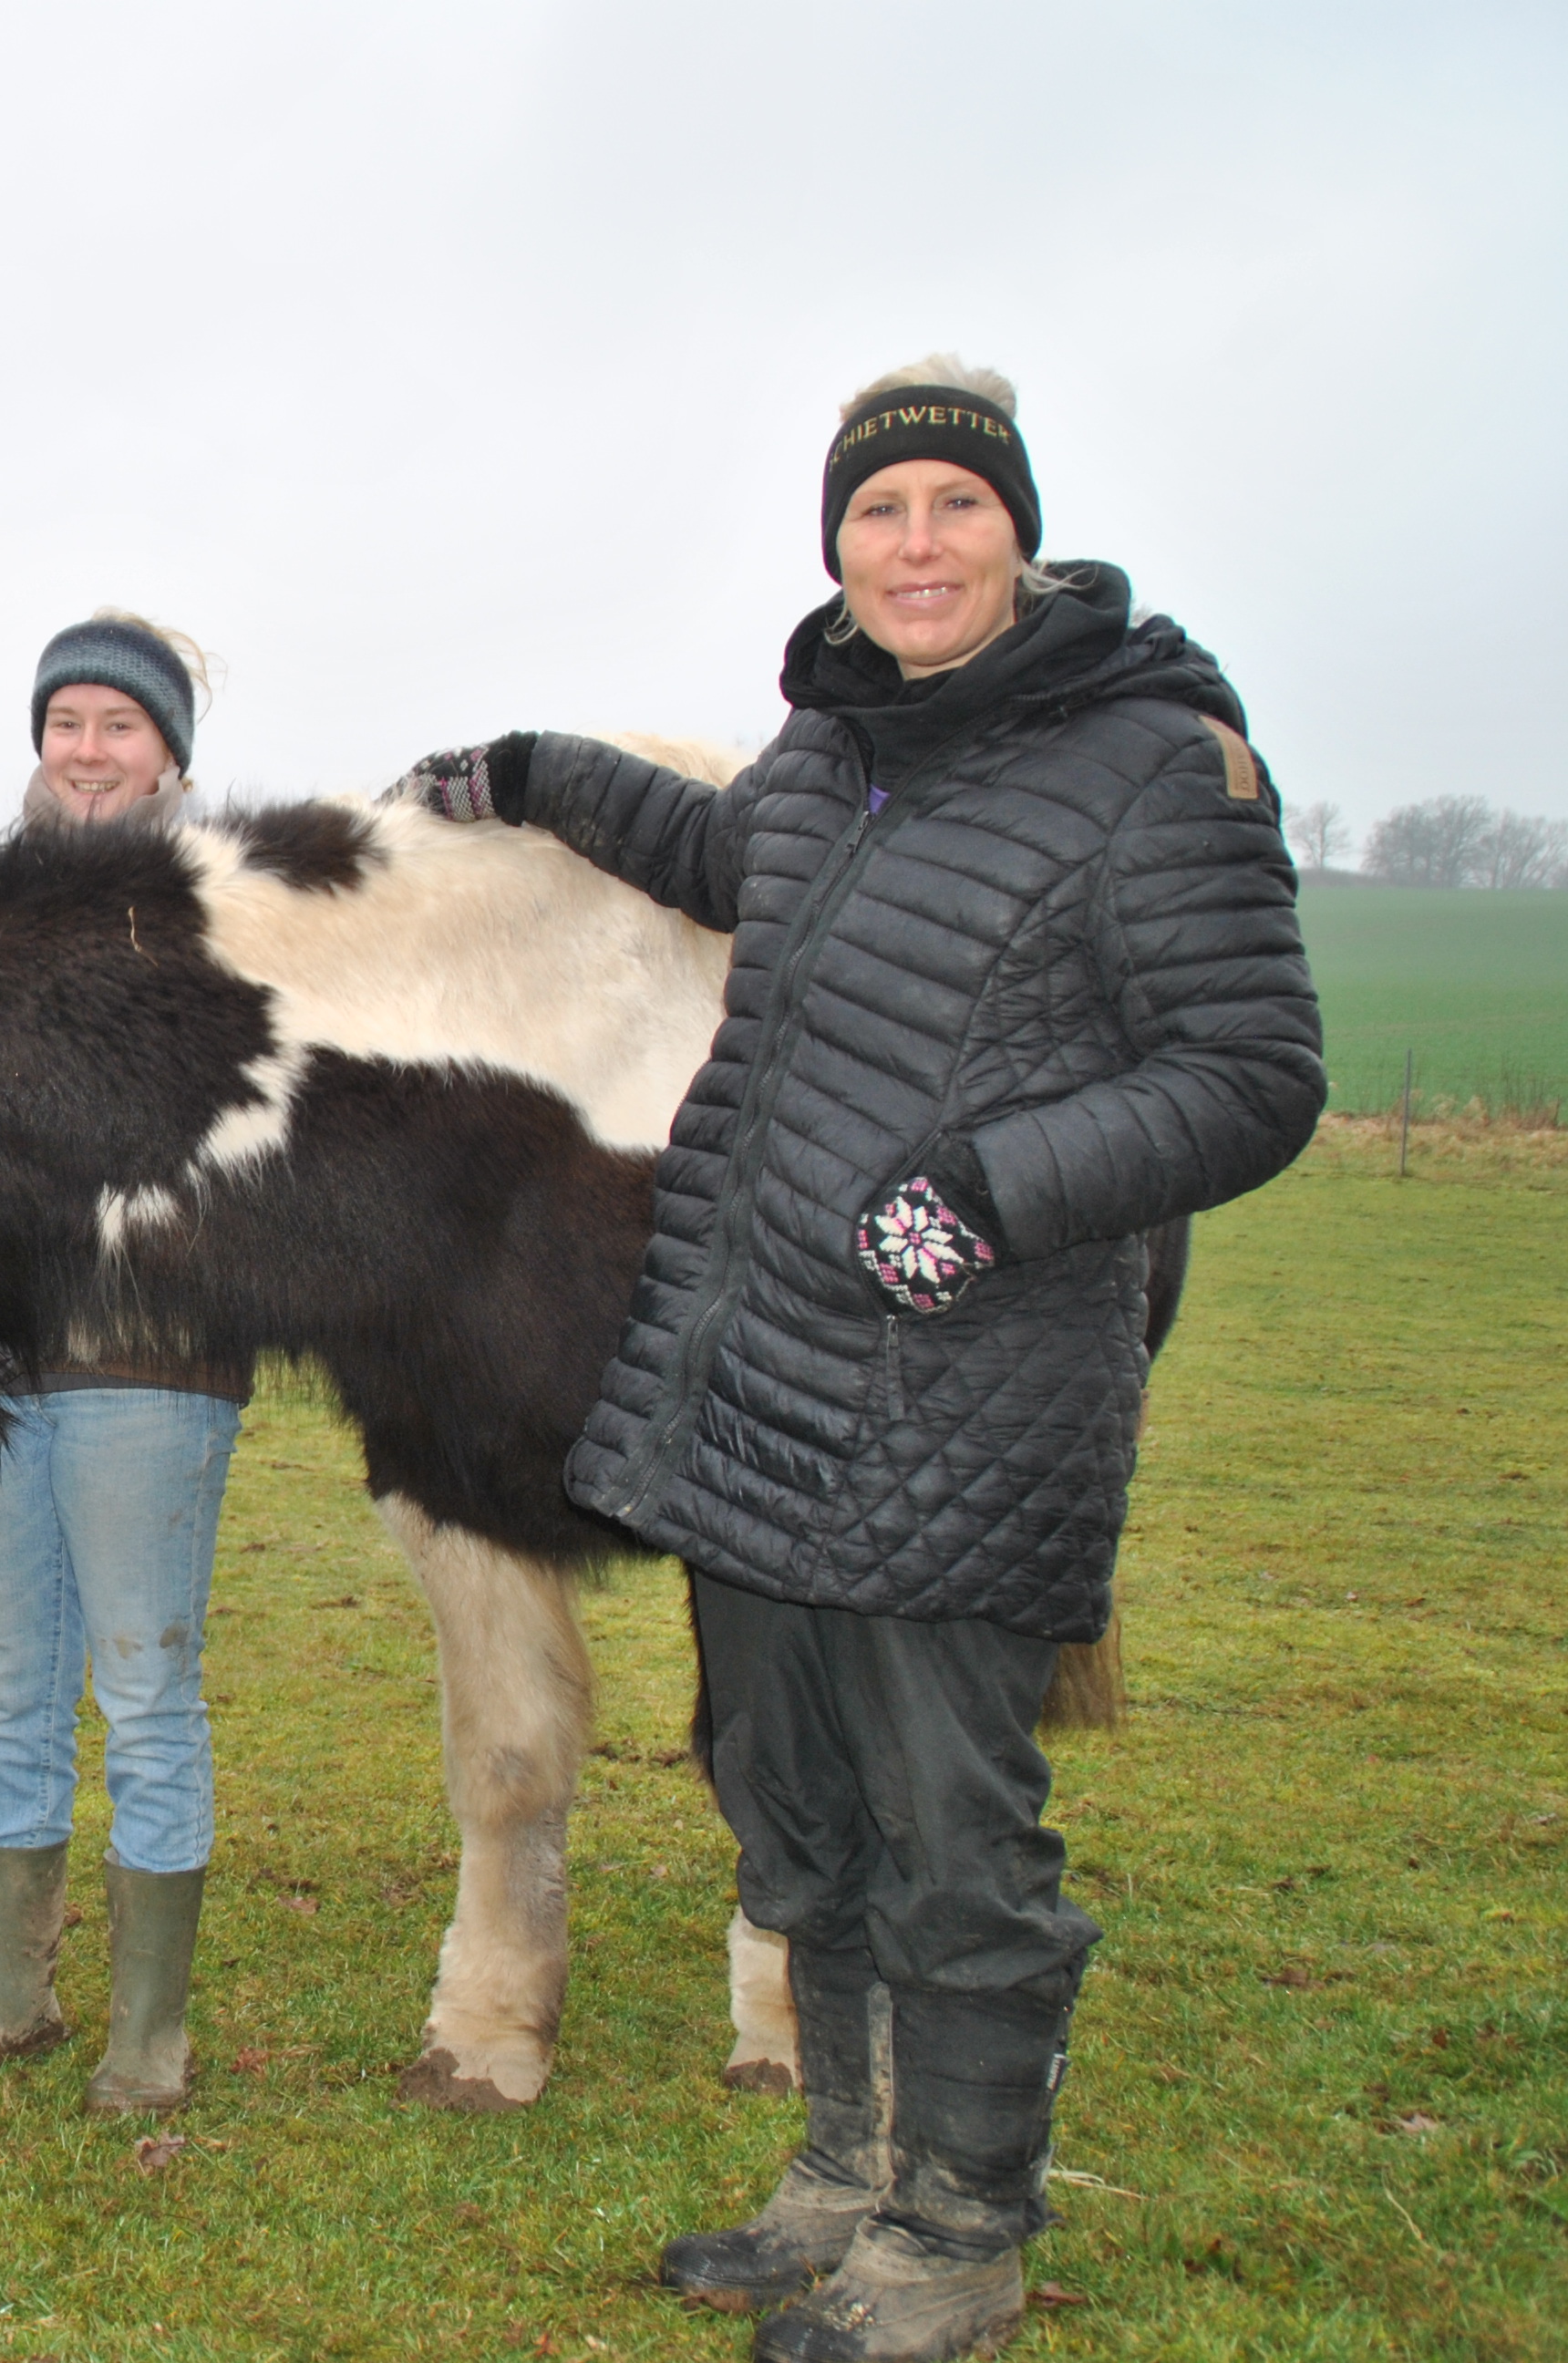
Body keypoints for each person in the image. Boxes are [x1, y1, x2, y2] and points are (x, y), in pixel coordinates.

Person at [400, 358, 1323, 2362]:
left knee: (949, 1843)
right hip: (756, 1383)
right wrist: (534, 771)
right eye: (877, 514)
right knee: (791, 1801)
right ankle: (835, 2177)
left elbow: (1254, 1075)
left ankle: (960, 2236)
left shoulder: (1153, 763)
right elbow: (732, 861)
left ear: (1018, 532)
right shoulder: (828, 759)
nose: (913, 548)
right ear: (836, 543)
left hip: (968, 1399)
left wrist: (987, 1192)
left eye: (952, 510)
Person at [0, 614, 246, 2115]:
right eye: (68, 723)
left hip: (150, 1352)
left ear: (170, 749)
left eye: (121, 725)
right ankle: (8, 1993)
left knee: (144, 1678)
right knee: (9, 1680)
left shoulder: (232, 908)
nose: (90, 751)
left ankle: (148, 2029)